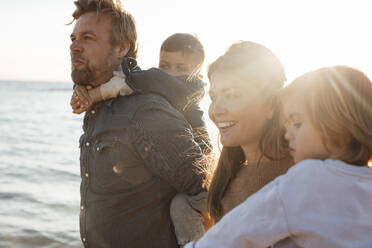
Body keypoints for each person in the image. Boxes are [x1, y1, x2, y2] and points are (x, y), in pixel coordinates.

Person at [185, 66, 372, 248]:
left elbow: (229, 236)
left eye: (297, 123)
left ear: (338, 125)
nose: (288, 133)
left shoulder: (307, 179)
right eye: (287, 123)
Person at [69, 1, 206, 247]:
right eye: (73, 38)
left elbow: (203, 189)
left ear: (121, 48)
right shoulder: (97, 104)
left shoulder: (145, 111)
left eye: (87, 38)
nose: (74, 46)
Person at [205, 41, 293, 224]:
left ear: (270, 104)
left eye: (232, 95)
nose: (215, 110)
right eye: (214, 97)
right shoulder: (228, 178)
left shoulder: (298, 177)